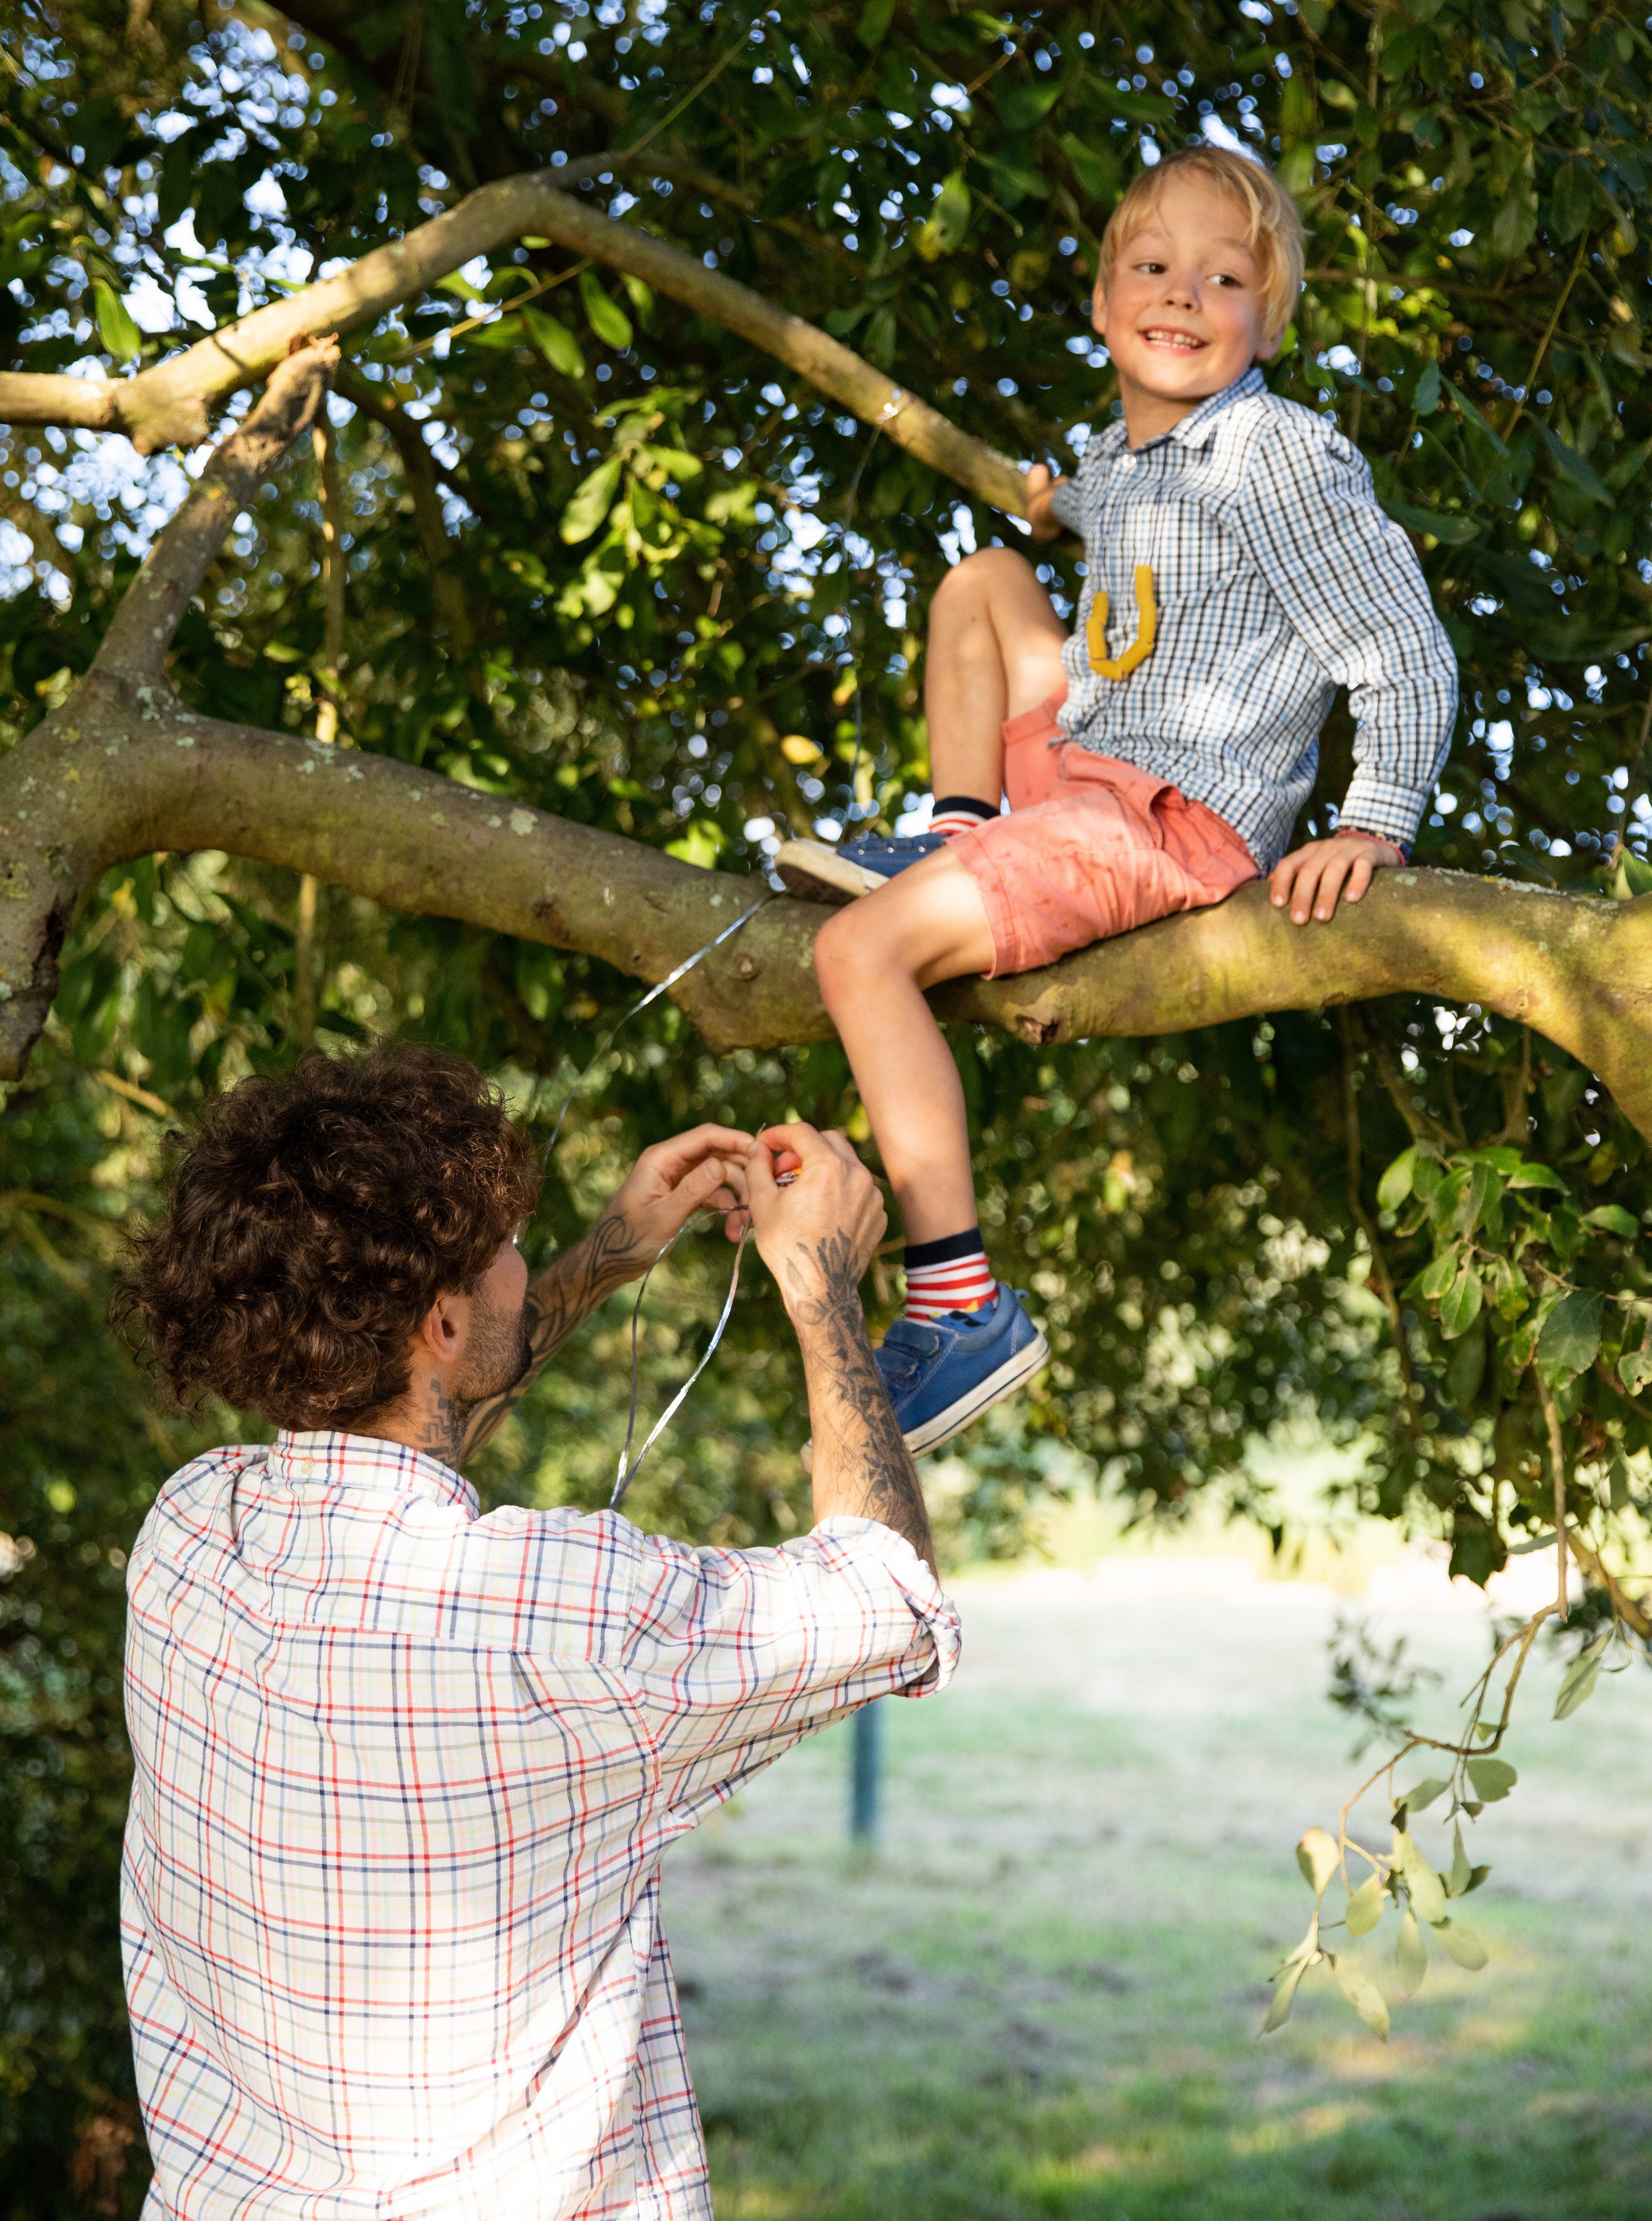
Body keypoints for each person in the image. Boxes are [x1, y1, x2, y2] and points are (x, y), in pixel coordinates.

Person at [113, 1045, 956, 2221]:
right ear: (444, 1317)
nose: (522, 1258)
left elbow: (399, 1444)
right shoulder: (564, 1618)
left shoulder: (192, 1534)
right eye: (506, 1245)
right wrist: (821, 1283)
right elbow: (892, 1598)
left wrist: (610, 1255)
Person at [775, 143, 1458, 1457]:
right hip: (1078, 756)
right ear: (1100, 305)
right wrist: (1057, 502)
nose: (1182, 296)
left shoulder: (1283, 457)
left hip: (1162, 816)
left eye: (1222, 278)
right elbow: (1117, 503)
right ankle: (959, 829)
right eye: (1152, 269)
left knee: (857, 952)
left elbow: (1402, 646)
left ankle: (957, 1300)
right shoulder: (1132, 456)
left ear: (1267, 320)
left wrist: (1373, 820)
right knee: (982, 579)